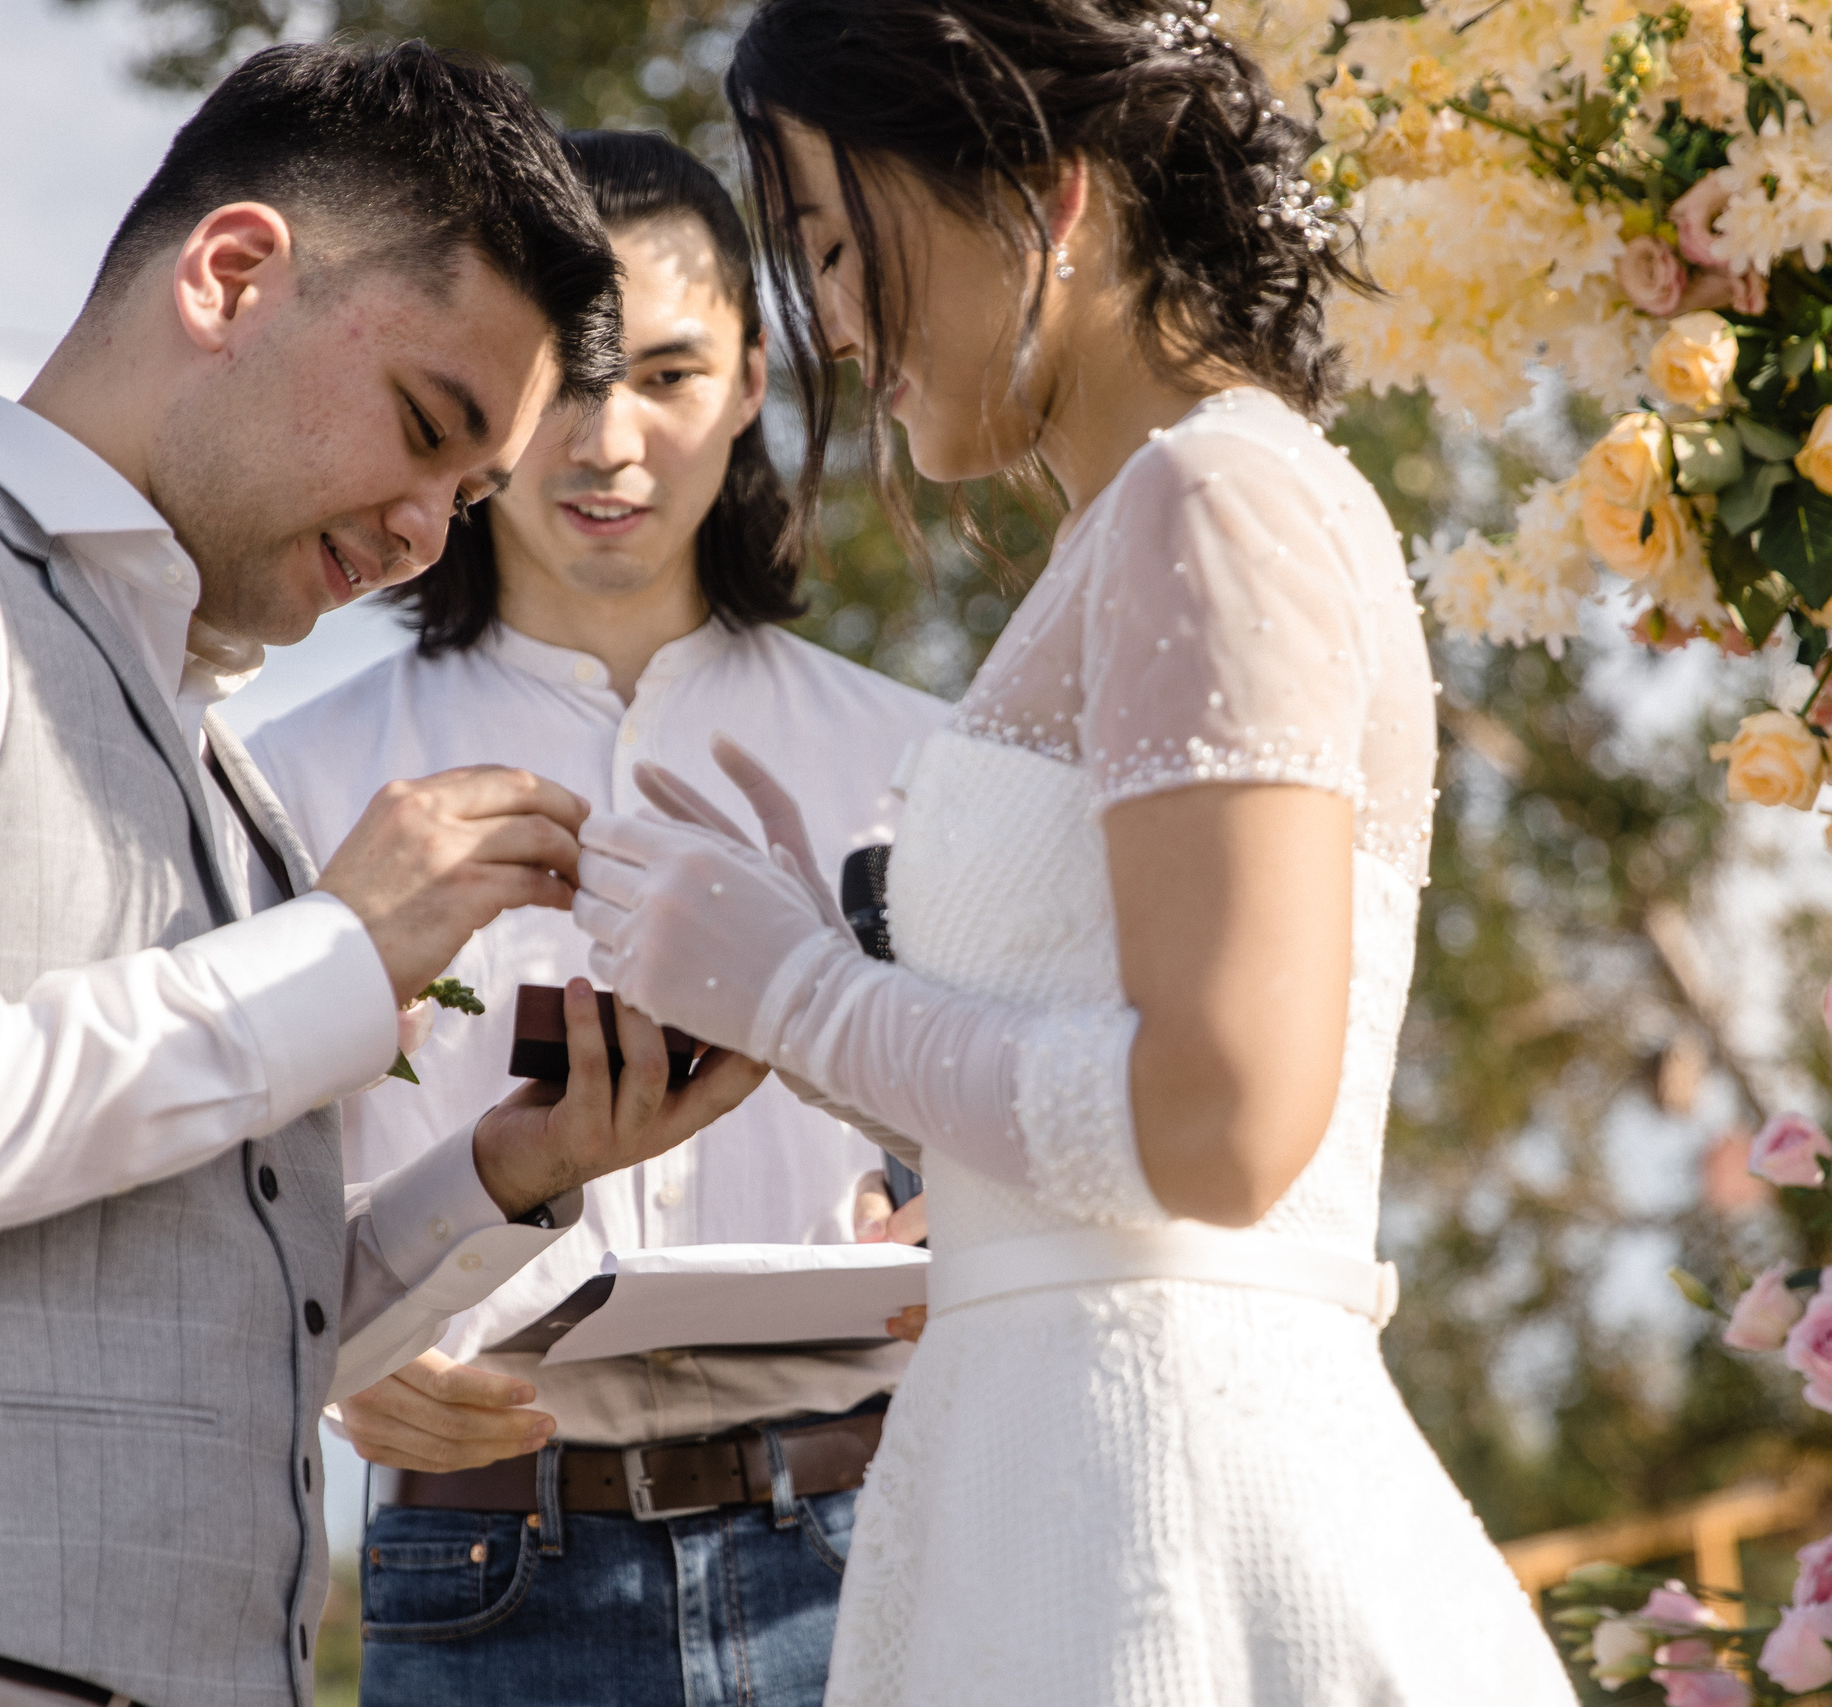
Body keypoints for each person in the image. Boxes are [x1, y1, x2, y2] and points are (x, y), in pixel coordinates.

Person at [0, 43, 757, 1707]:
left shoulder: (223, 763)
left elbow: (196, 1347)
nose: (430, 535)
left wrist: (501, 1175)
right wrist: (335, 956)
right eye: (425, 431)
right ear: (233, 275)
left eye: (470, 494)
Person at [570, 3, 1579, 1702]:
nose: (824, 319)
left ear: (1042, 196)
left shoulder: (1213, 501)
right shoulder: (1150, 521)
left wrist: (805, 990)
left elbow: (1223, 1122)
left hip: (1164, 1505)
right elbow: (1099, 1081)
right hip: (1051, 1468)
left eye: (836, 241)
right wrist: (790, 998)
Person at [250, 130, 946, 1707]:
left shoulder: (923, 764)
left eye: (670, 373)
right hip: (483, 1571)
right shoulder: (290, 781)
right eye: (562, 382)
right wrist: (335, 1370)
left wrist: (965, 1221)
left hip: (874, 1545)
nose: (608, 441)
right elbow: (230, 1199)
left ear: (759, 375)